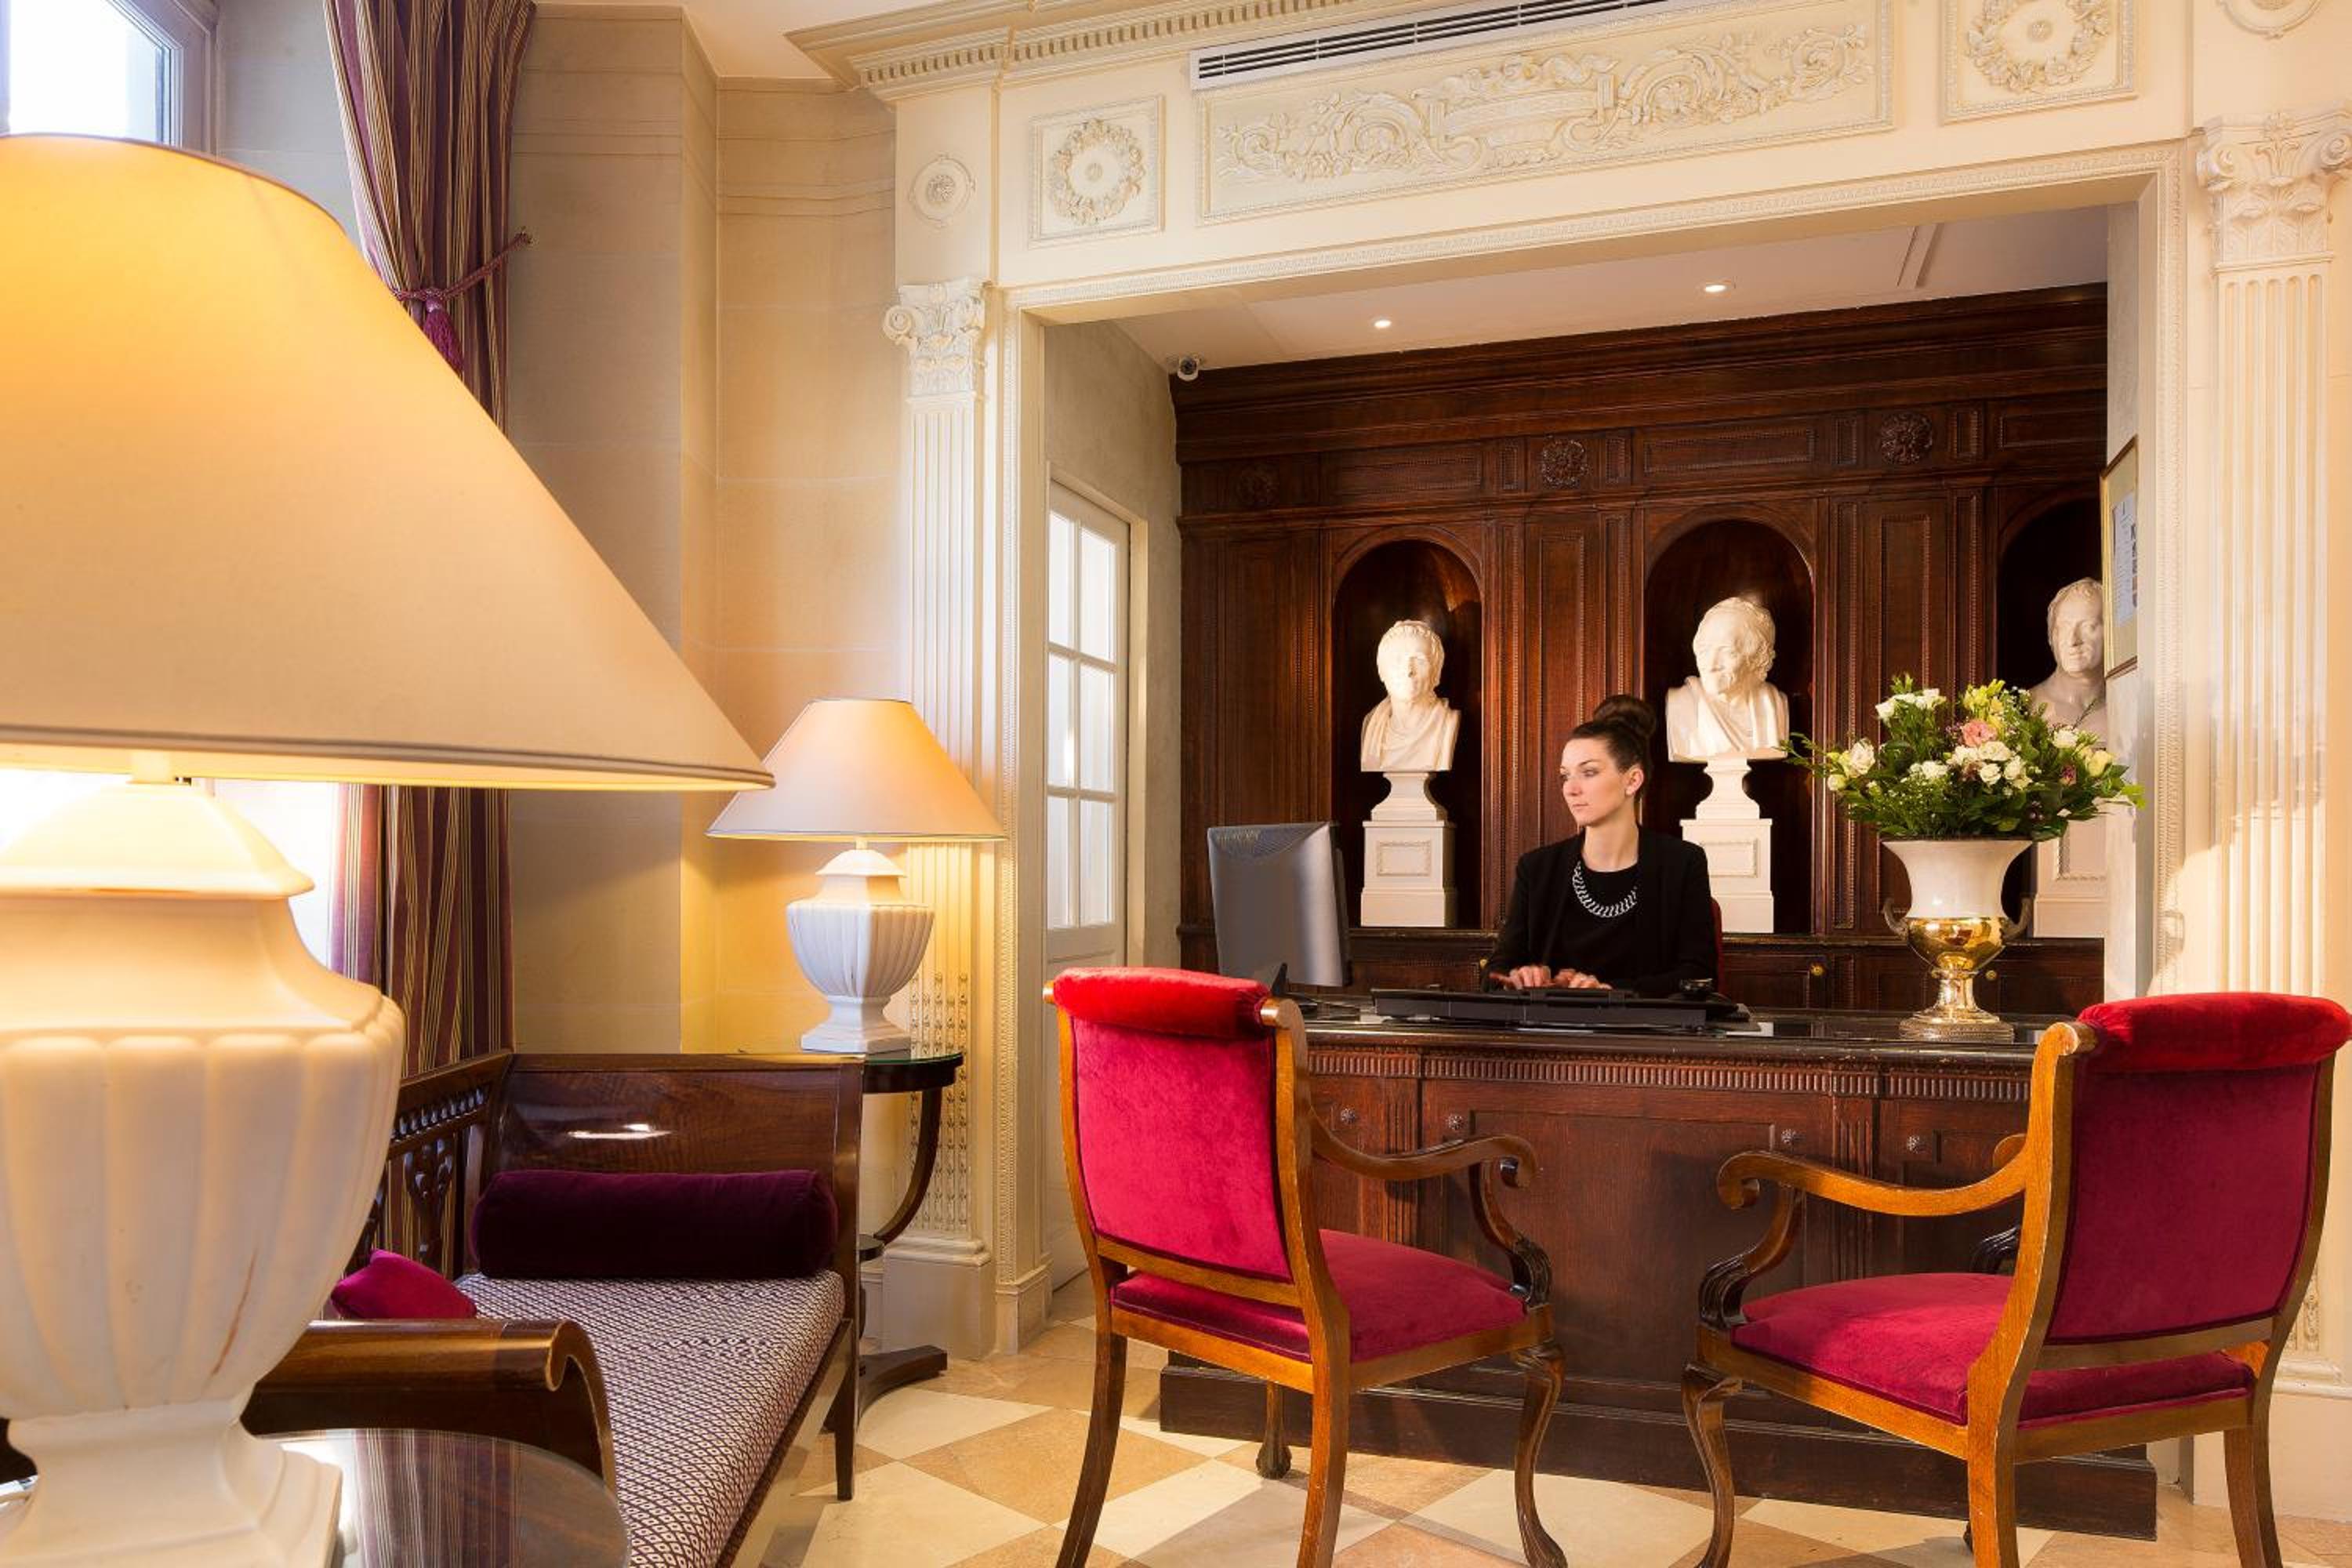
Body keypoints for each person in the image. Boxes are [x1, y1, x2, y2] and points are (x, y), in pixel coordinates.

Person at [1488, 696, 1716, 994]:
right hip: (1548, 1023)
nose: (1571, 789)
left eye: (1589, 772)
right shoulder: (1536, 868)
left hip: (1641, 1024)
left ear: (1632, 780)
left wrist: (1611, 991)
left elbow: (1699, 974)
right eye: (1565, 776)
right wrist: (1520, 975)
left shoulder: (1682, 862)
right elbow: (1494, 974)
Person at [1664, 596, 1791, 760]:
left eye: (1728, 652)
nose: (1711, 665)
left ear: (1756, 658)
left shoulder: (1774, 705)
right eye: (1705, 650)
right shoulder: (1681, 704)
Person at [1359, 619, 1461, 773]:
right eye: (1397, 660)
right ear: (1382, 671)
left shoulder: (1448, 723)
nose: (1408, 671)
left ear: (1436, 672)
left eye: (1419, 660)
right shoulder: (1370, 725)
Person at [2025, 577, 2109, 739]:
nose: (2073, 640)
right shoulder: (2027, 707)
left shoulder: (2126, 708)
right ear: (2051, 637)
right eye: (2064, 628)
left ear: (2111, 634)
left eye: (2088, 627)